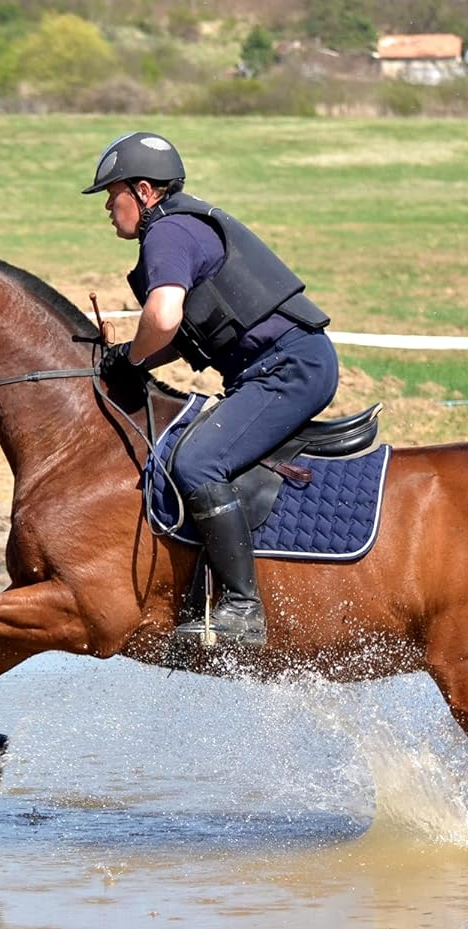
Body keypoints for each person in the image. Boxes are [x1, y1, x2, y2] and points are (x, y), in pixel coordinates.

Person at [83, 132, 341, 648]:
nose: (109, 209)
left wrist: (130, 358)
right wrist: (135, 359)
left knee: (198, 463)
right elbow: (181, 337)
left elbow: (162, 316)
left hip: (289, 368)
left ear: (143, 191)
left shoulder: (169, 233)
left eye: (112, 195)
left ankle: (244, 609)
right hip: (278, 366)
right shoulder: (180, 225)